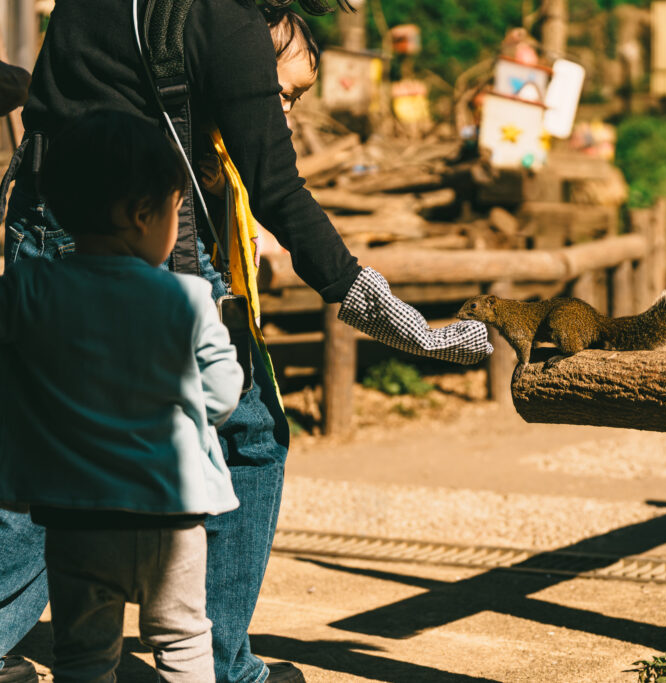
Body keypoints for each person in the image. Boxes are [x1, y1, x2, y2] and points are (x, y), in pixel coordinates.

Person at [0, 2, 493, 683]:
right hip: (141, 235)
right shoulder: (225, 20)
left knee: (38, 425)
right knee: (251, 436)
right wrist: (389, 314)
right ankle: (225, 663)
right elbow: (277, 189)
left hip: (43, 215)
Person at [0, 109, 243, 682]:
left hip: (74, 513)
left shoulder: (29, 288)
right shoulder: (188, 297)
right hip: (171, 507)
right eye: (176, 211)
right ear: (140, 214)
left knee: (84, 654)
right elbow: (224, 394)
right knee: (183, 640)